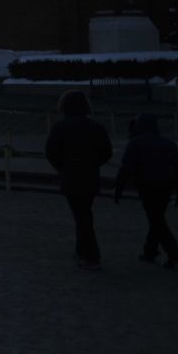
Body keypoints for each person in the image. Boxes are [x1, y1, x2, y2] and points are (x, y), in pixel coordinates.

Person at [43, 90, 113, 270]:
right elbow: (106, 152)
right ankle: (83, 252)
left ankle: (90, 255)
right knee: (84, 213)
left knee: (81, 215)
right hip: (90, 176)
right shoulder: (96, 127)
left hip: (71, 176)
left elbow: (51, 152)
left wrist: (64, 167)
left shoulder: (60, 127)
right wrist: (92, 163)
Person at [113, 114, 178, 269]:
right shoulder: (168, 143)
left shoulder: (135, 143)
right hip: (166, 185)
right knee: (156, 217)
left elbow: (126, 168)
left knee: (156, 220)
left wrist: (118, 188)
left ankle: (174, 253)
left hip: (147, 185)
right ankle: (150, 251)